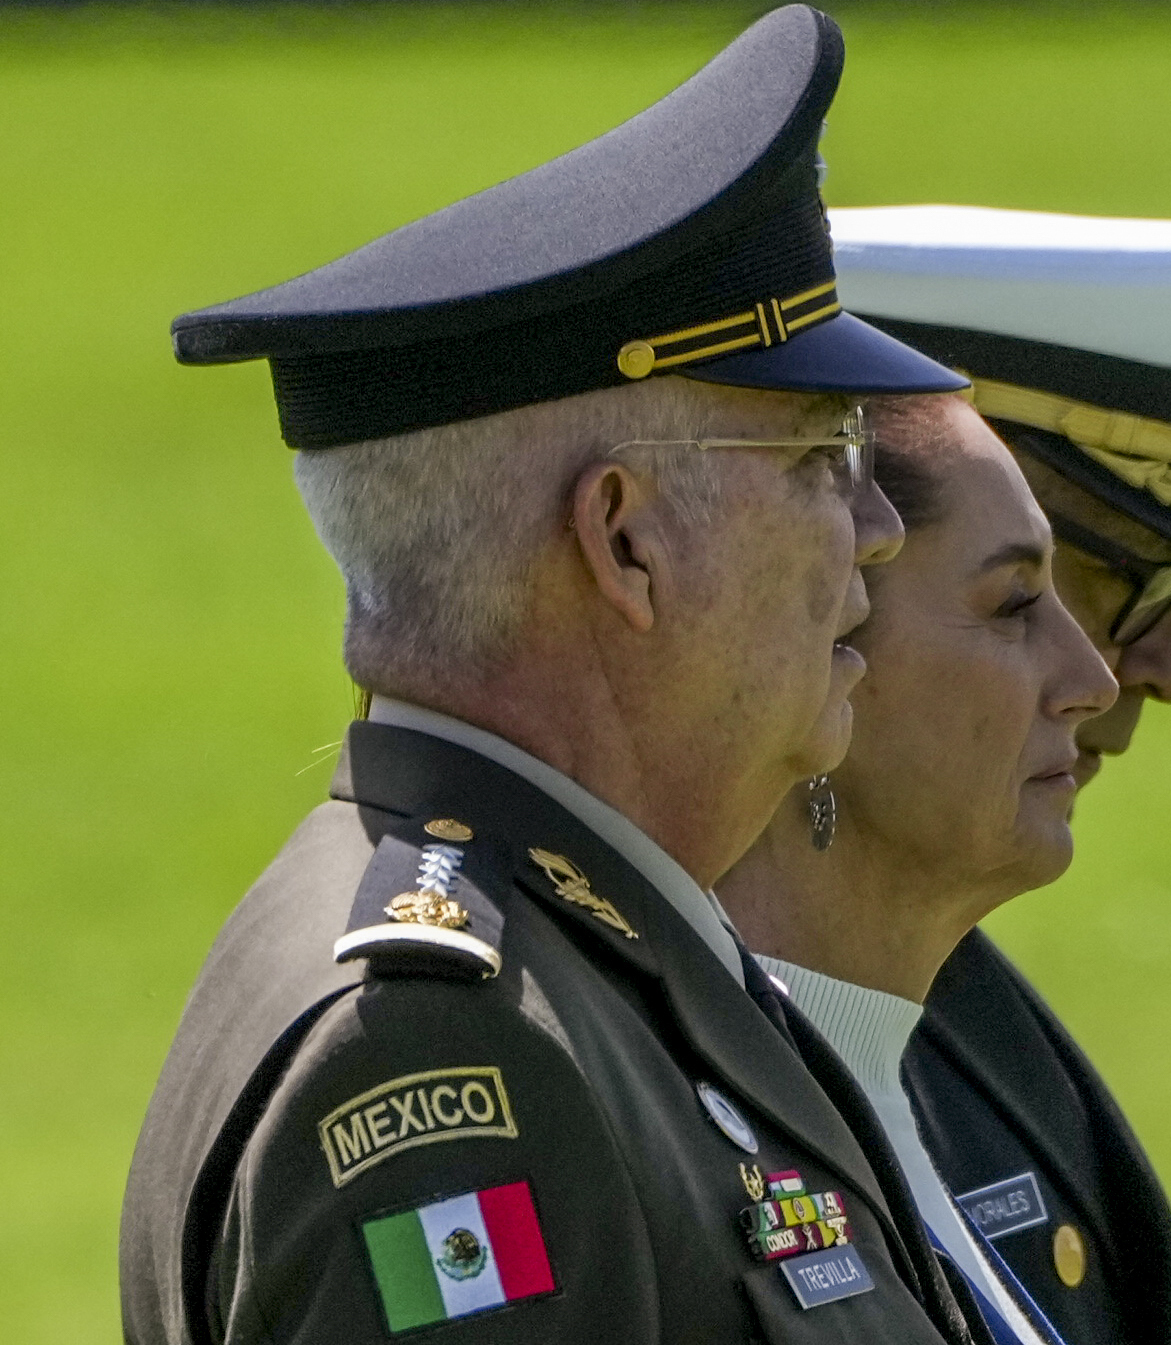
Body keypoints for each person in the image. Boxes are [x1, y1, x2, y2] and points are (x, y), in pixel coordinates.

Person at [118, 11, 984, 1345]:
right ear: (625, 537)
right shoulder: (444, 1053)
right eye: (819, 458)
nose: (872, 528)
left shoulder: (585, 954)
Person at [826, 205, 1171, 1345]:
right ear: (835, 553)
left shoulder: (960, 1026)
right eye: (1033, 587)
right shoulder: (580, 1047)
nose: (1158, 669)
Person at [717, 392, 1119, 1345]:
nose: (1093, 681)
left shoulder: (887, 1085)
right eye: (1015, 604)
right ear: (820, 657)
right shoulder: (688, 1125)